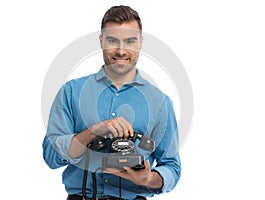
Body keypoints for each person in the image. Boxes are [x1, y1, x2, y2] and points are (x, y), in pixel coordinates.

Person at [43, 5, 181, 200]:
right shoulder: (71, 92)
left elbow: (172, 167)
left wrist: (148, 178)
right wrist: (94, 131)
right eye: (112, 41)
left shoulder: (160, 102)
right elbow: (51, 156)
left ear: (140, 43)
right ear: (101, 41)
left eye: (130, 41)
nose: (121, 50)